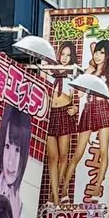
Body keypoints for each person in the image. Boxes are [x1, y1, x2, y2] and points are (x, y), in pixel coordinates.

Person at [70, 37, 109, 201]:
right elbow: (80, 95)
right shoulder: (89, 71)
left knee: (103, 151)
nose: (97, 55)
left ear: (107, 55)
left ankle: (96, 189)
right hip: (89, 108)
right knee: (78, 153)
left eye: (102, 53)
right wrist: (88, 73)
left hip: (103, 108)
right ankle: (63, 190)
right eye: (96, 52)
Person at [46, 41, 79, 205]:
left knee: (63, 156)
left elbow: (77, 97)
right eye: (63, 54)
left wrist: (75, 108)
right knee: (52, 157)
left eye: (68, 55)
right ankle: (55, 196)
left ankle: (55, 196)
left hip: (65, 113)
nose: (65, 58)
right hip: (50, 113)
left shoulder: (73, 73)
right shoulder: (48, 71)